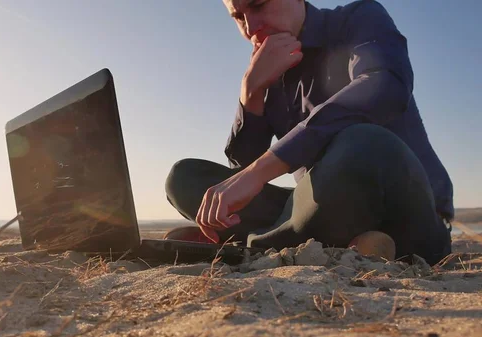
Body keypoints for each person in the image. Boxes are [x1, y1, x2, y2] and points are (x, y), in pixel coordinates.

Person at [164, 0, 453, 265]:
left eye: (259, 4)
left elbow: (383, 88)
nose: (251, 28)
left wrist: (259, 171)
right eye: (239, 17)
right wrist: (251, 92)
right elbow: (243, 173)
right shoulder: (268, 69)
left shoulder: (358, 18)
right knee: (184, 178)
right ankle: (317, 243)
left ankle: (255, 244)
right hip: (317, 208)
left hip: (405, 210)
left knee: (362, 141)